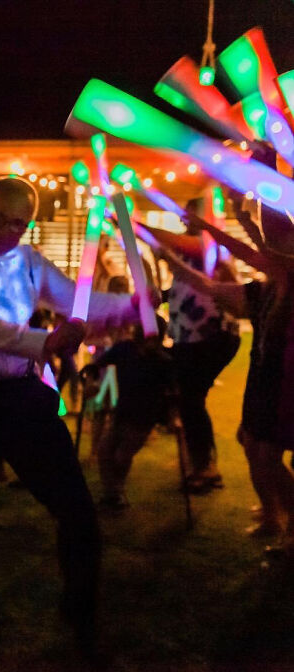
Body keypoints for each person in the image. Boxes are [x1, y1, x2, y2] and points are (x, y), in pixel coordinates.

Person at [0, 176, 148, 665]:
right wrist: (45, 342)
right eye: (2, 217)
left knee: (78, 513)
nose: (10, 230)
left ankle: (81, 619)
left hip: (22, 396)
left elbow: (75, 301)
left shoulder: (29, 261)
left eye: (21, 222)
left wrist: (133, 306)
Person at [157, 194, 294, 557]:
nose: (268, 252)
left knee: (267, 455)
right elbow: (210, 285)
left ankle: (292, 526)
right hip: (265, 377)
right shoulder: (264, 291)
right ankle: (272, 514)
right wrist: (171, 259)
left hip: (287, 385)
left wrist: (218, 226)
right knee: (252, 446)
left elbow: (257, 253)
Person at [140, 200, 240, 493]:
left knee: (191, 399)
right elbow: (184, 287)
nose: (185, 220)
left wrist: (136, 224)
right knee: (189, 399)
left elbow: (174, 243)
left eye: (191, 214)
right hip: (189, 338)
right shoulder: (192, 253)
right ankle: (201, 461)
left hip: (209, 337)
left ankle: (206, 467)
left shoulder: (208, 244)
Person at [84, 316, 175, 510]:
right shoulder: (125, 349)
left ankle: (116, 492)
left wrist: (173, 417)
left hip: (143, 419)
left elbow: (173, 392)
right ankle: (112, 495)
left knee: (122, 456)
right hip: (121, 413)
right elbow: (95, 365)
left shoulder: (163, 361)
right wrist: (91, 382)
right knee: (105, 451)